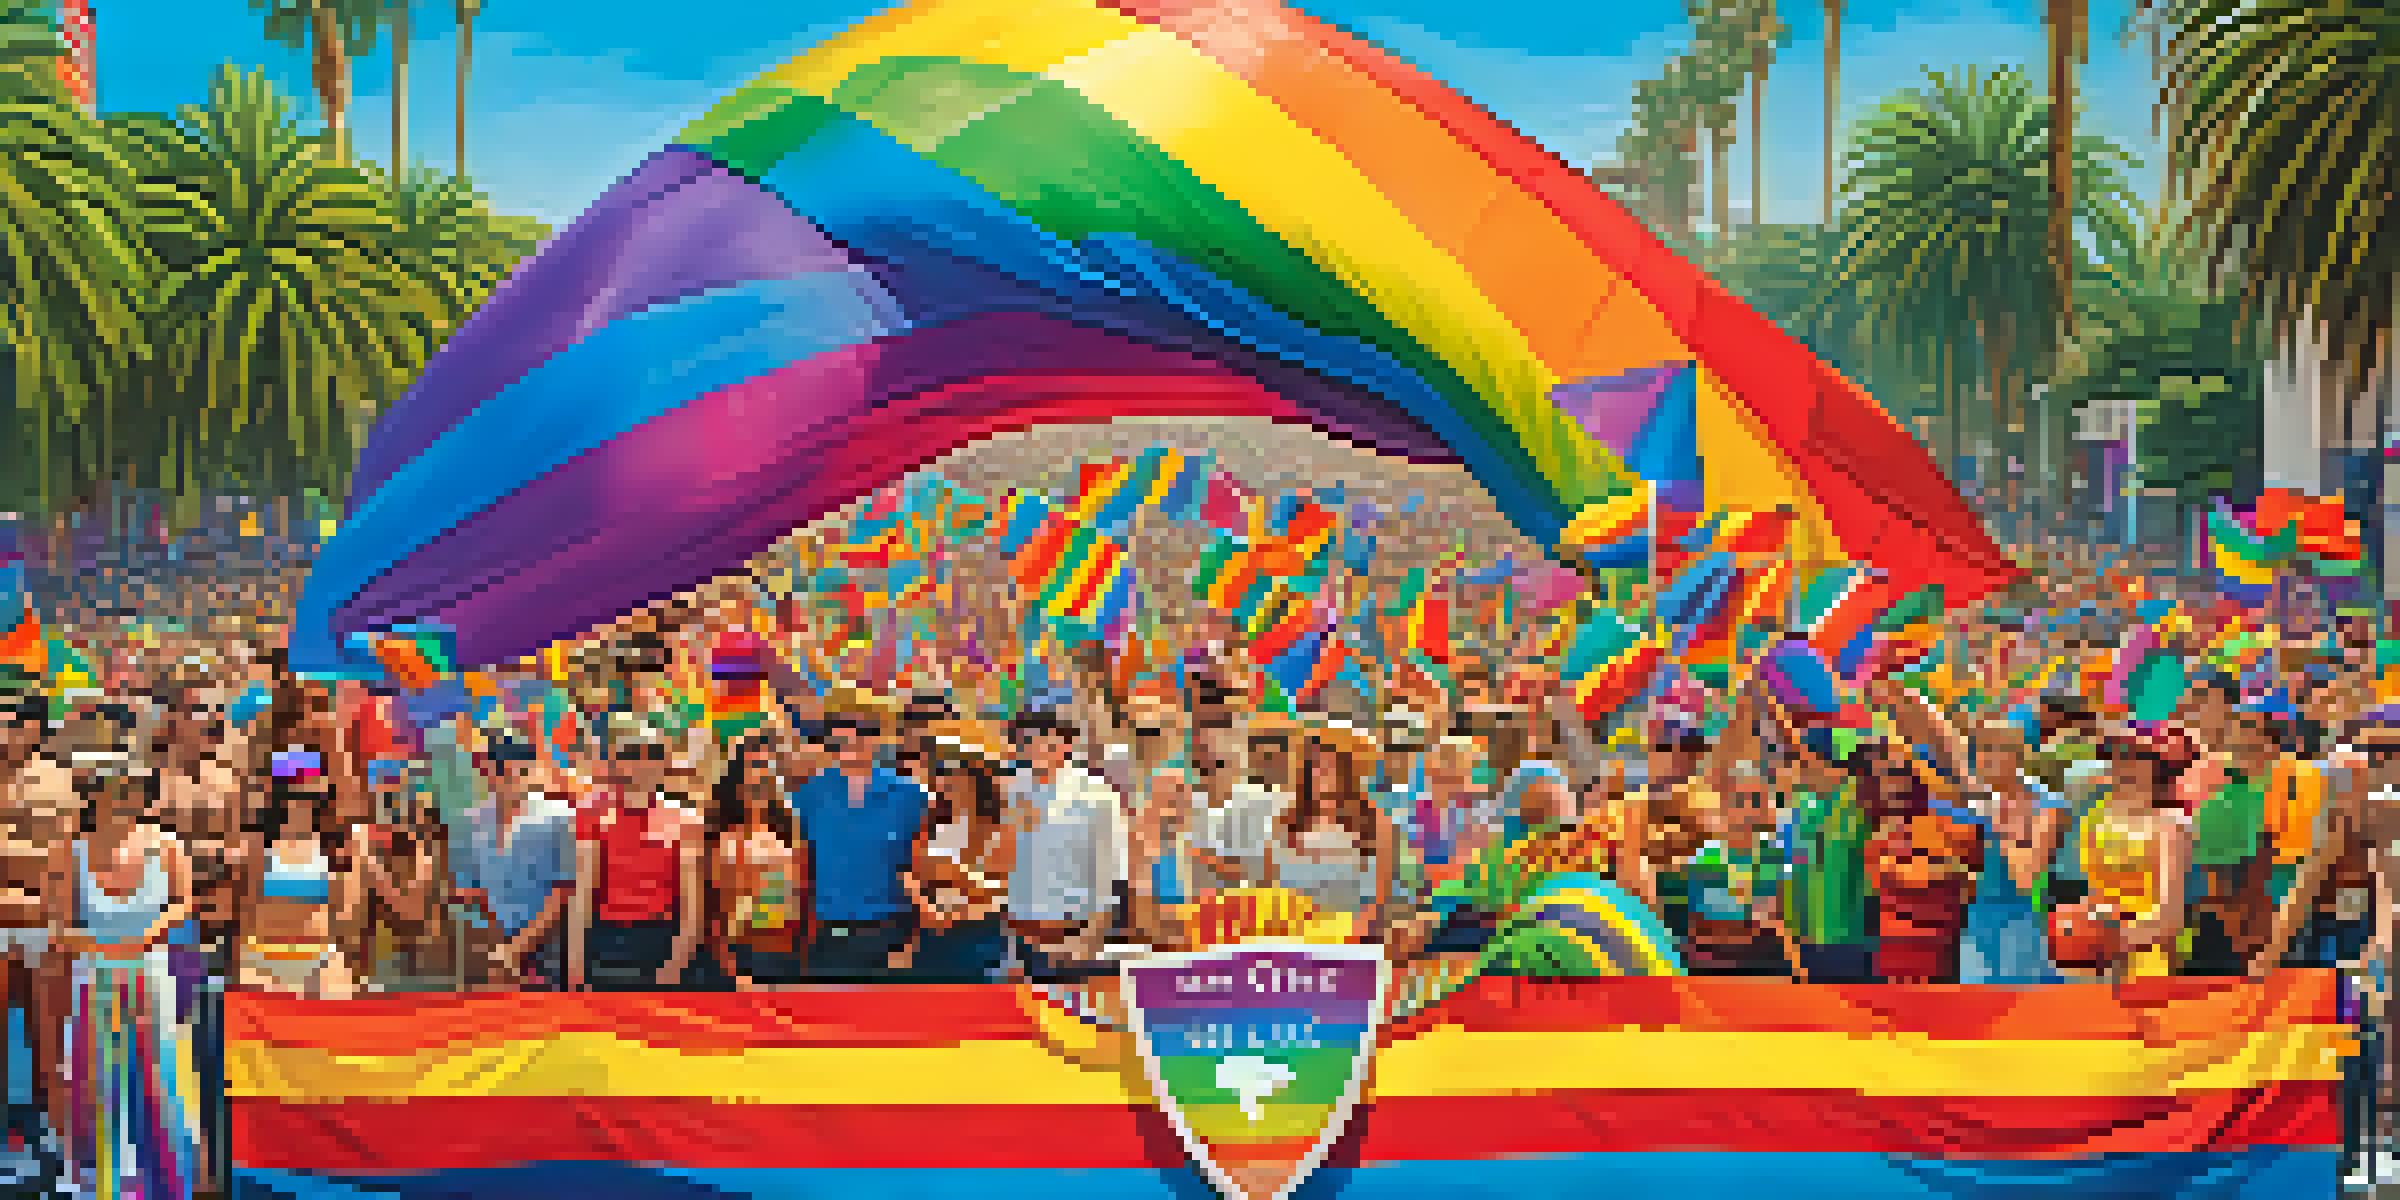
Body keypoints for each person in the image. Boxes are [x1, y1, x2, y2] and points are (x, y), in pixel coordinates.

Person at [47, 716, 197, 1200]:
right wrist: (103, 949)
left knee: (161, 1084)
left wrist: (153, 930)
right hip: (95, 981)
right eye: (120, 784)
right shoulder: (68, 851)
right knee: (99, 1090)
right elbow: (59, 928)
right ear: (100, 791)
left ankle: (166, 1186)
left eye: (134, 784)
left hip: (150, 978)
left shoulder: (167, 843)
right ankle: (106, 1187)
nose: (130, 792)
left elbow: (184, 903)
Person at [788, 713, 930, 981]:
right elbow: (799, 862)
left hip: (890, 928)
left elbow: (922, 870)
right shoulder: (809, 794)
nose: (849, 746)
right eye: (840, 740)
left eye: (858, 738)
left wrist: (914, 942)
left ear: (875, 742)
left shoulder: (910, 795)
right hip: (827, 928)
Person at [569, 720, 706, 991]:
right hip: (606, 941)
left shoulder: (686, 819)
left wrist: (675, 964)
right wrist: (574, 964)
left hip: (660, 940)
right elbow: (583, 892)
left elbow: (692, 906)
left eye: (652, 754)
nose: (643, 763)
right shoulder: (593, 814)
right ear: (619, 763)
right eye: (632, 754)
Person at [1001, 709, 1128, 980]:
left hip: (1074, 934)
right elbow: (1003, 869)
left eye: (1045, 739)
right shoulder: (1009, 791)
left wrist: (1091, 937)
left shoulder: (1097, 794)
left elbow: (1110, 872)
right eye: (1028, 740)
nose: (1035, 747)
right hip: (1018, 939)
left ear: (1066, 743)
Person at [0, 692, 67, 1179]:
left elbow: (58, 861)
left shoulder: (54, 781)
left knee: (47, 1035)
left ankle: (51, 1130)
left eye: (13, 724)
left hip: (38, 921)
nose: (5, 733)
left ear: (35, 730)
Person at [232, 744, 357, 998]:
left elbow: (344, 914)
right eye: (294, 787)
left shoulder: (333, 846)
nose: (302, 796)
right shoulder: (258, 845)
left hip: (317, 959)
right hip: (265, 960)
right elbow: (246, 911)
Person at [452, 736, 574, 990]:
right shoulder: (470, 821)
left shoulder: (559, 817)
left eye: (519, 769)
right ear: (486, 771)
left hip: (548, 946)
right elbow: (466, 889)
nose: (510, 777)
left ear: (531, 771)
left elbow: (565, 891)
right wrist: (493, 942)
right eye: (501, 769)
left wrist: (519, 945)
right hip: (490, 943)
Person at [2081, 723, 2199, 981]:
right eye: (2118, 757)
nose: (2124, 767)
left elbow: (2170, 916)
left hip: (2149, 960)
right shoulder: (2097, 819)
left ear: (2157, 765)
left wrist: (2115, 938)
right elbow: (2094, 894)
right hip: (2095, 957)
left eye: (2135, 757)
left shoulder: (2171, 824)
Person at [904, 724, 1012, 981]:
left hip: (979, 941)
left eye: (957, 773)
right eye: (943, 773)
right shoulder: (930, 823)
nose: (948, 782)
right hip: (932, 942)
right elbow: (912, 876)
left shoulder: (999, 828)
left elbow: (1005, 893)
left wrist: (956, 877)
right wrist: (925, 907)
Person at [1271, 732, 1395, 936]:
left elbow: (1382, 893)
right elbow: (1278, 887)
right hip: (1296, 933)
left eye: (1329, 765)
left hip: (1353, 934)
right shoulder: (1288, 819)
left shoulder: (1373, 820)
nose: (1320, 773)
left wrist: (1358, 931)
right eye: (1315, 767)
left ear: (1345, 770)